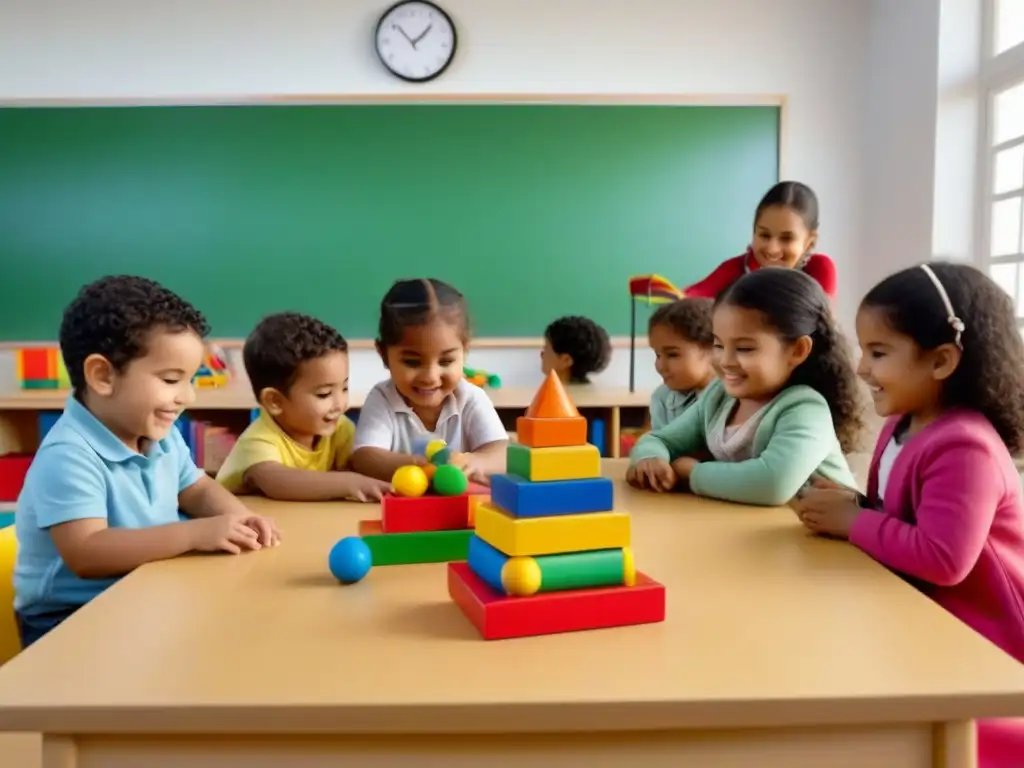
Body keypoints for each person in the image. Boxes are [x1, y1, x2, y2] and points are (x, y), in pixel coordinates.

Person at [791, 262, 1024, 767]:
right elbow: (902, 516)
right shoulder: (904, 423)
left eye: (878, 353)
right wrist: (856, 506)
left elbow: (943, 558)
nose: (860, 368)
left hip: (987, 644)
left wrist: (855, 522)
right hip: (924, 618)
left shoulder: (965, 446)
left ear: (941, 361)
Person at [13, 275, 280, 648]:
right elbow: (87, 552)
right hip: (67, 620)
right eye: (171, 379)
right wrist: (195, 534)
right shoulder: (68, 454)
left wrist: (238, 518)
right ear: (103, 376)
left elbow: (197, 488)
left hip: (142, 590)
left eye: (191, 380)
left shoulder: (161, 435)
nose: (186, 396)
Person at [627, 268, 862, 506]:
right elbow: (661, 440)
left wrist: (691, 472)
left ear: (797, 350)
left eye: (744, 349)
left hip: (826, 541)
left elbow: (772, 484)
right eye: (718, 345)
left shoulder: (806, 409)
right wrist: (651, 459)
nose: (725, 361)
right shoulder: (718, 396)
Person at [216, 312, 392, 502]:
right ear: (275, 401)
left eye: (345, 388)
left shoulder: (340, 429)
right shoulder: (258, 441)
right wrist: (349, 482)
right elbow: (280, 482)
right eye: (324, 394)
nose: (340, 404)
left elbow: (363, 464)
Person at [350, 278, 508, 484]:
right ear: (384, 355)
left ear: (465, 351)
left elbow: (504, 454)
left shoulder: (470, 398)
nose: (430, 377)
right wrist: (426, 468)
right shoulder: (382, 398)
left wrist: (474, 462)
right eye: (412, 362)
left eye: (446, 361)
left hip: (461, 511)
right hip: (404, 512)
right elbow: (365, 458)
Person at [684, 181, 837, 299]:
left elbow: (820, 326)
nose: (772, 249)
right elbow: (692, 296)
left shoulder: (819, 269)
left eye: (786, 238)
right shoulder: (736, 268)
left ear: (809, 242)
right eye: (764, 235)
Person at [646, 298, 715, 430]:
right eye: (657, 355)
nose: (660, 366)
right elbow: (661, 443)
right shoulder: (662, 398)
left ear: (713, 349)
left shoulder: (737, 399)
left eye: (672, 354)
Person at [540, 315, 612, 384]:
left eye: (546, 349)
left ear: (566, 360)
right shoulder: (595, 393)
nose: (542, 355)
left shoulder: (555, 395)